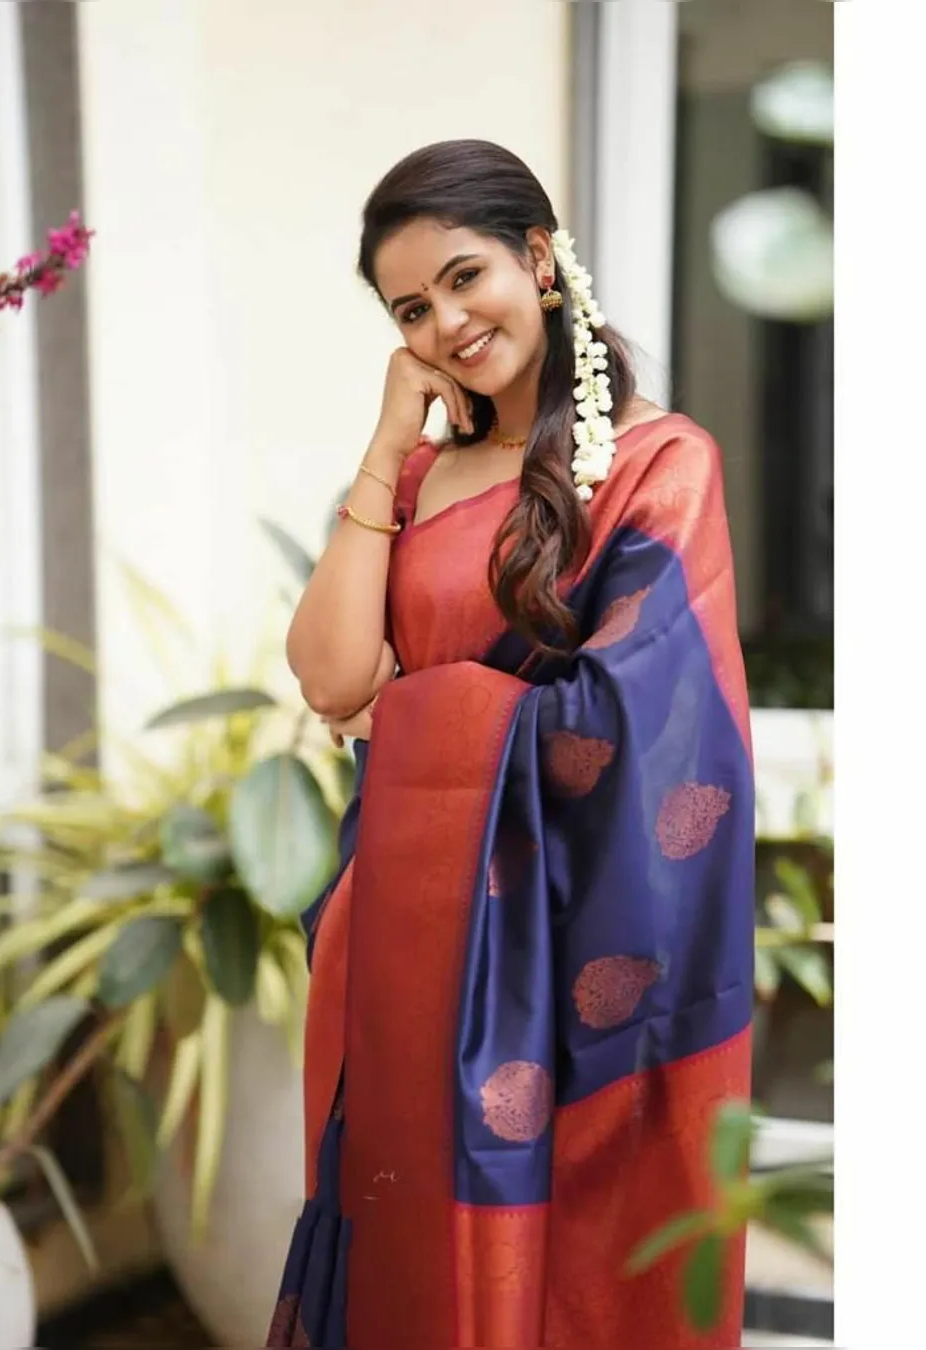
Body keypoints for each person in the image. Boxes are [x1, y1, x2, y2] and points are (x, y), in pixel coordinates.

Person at [267, 139, 755, 1350]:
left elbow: (633, 726)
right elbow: (330, 678)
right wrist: (387, 446)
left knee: (555, 1268)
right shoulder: (417, 480)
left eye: (463, 277)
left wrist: (420, 713)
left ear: (538, 259)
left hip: (572, 944)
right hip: (401, 931)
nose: (446, 322)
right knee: (398, 1255)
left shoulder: (656, 465)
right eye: (410, 309)